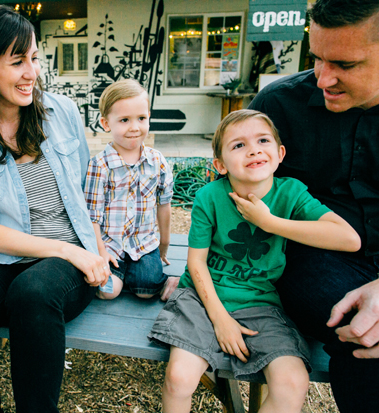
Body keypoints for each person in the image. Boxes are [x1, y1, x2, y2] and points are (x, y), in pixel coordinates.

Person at [0, 5, 110, 412]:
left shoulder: (60, 112)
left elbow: (89, 194)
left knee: (31, 293)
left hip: (68, 260)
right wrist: (64, 250)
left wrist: (90, 251)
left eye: (33, 57)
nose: (32, 71)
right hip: (0, 255)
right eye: (17, 61)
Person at [148, 110, 360, 413]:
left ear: (279, 153)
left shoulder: (291, 193)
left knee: (293, 382)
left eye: (263, 140)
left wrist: (270, 222)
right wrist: (221, 320)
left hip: (261, 302)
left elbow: (349, 239)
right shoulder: (209, 196)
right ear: (220, 165)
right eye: (238, 145)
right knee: (179, 378)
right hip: (201, 298)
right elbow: (196, 264)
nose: (254, 150)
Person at [247, 0, 379, 410]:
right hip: (315, 260)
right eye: (317, 58)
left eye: (345, 64)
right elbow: (233, 200)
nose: (323, 79)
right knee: (362, 333)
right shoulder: (278, 105)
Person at [84, 79, 176, 300]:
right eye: (124, 120)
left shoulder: (157, 161)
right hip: (109, 244)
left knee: (147, 290)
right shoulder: (100, 165)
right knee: (109, 292)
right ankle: (118, 276)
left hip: (143, 243)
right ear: (106, 124)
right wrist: (100, 252)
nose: (135, 127)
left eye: (141, 118)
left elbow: (164, 204)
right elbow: (93, 216)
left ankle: (152, 279)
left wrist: (164, 243)